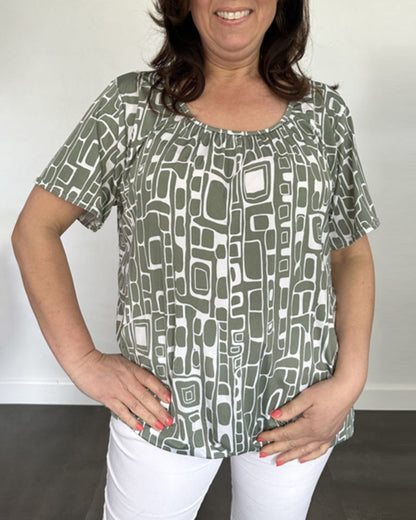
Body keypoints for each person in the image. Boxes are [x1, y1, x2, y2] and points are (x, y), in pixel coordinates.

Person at [11, 1, 381, 519]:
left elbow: (349, 252)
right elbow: (35, 228)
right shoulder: (131, 107)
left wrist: (350, 381)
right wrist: (83, 362)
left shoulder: (323, 116)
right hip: (166, 406)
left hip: (298, 402)